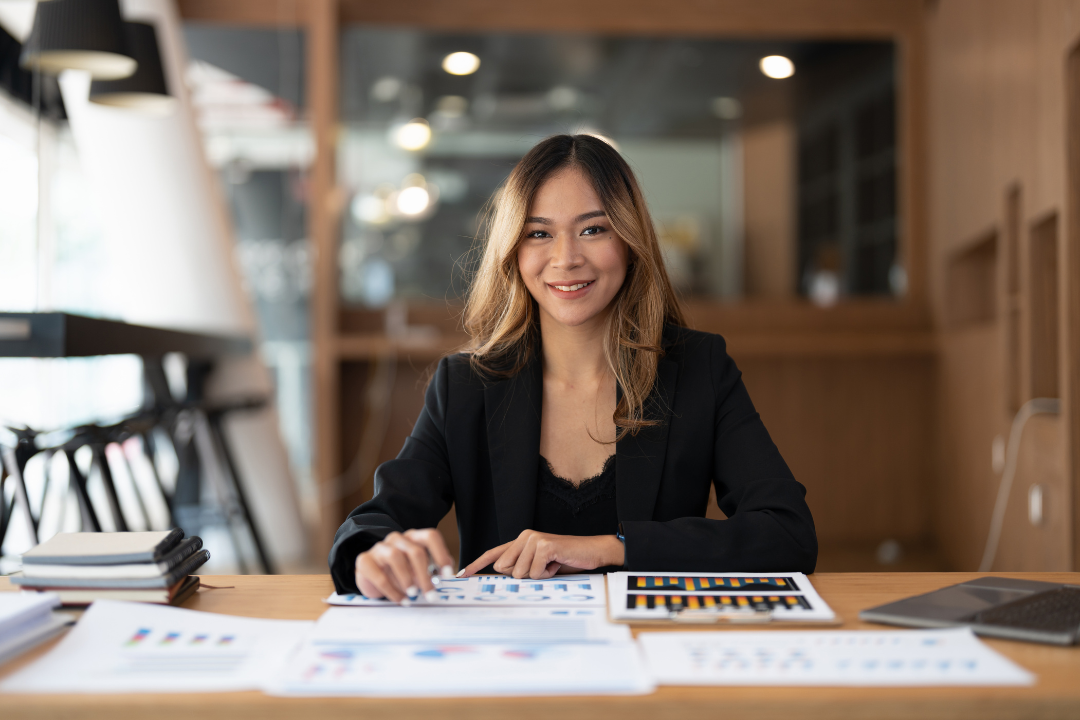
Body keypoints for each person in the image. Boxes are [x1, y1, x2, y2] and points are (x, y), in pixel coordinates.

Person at [329, 134, 817, 603]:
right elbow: (377, 522)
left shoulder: (698, 369)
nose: (565, 258)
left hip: (651, 647)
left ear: (629, 239)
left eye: (593, 229)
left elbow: (787, 533)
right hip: (511, 657)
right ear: (513, 253)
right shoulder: (465, 385)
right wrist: (373, 554)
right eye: (539, 234)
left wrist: (614, 548)